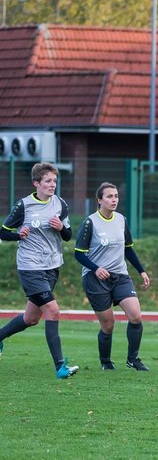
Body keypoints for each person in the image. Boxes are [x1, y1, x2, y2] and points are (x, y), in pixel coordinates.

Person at [0, 161, 79, 378]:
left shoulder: (61, 204)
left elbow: (68, 235)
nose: (52, 185)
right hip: (30, 267)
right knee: (53, 311)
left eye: (54, 181)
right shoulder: (23, 206)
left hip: (52, 267)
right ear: (36, 183)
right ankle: (60, 367)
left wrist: (61, 227)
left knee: (31, 318)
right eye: (47, 181)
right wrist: (19, 234)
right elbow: (3, 232)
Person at [75, 182, 152, 371]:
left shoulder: (121, 220)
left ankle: (132, 359)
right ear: (99, 200)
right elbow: (78, 253)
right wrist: (95, 268)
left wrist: (141, 271)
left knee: (135, 316)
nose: (114, 199)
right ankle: (106, 362)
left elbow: (128, 249)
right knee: (108, 324)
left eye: (116, 196)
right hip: (95, 279)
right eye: (109, 196)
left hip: (120, 276)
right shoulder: (90, 222)